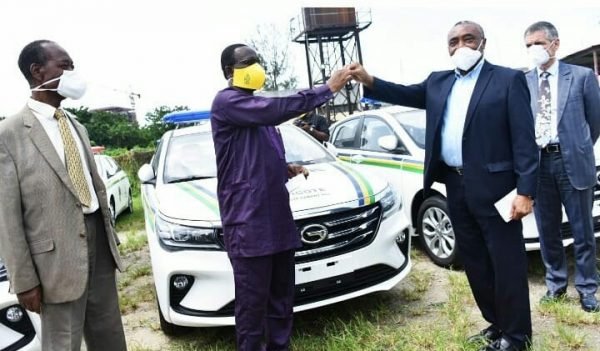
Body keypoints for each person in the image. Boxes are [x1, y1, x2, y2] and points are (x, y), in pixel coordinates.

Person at [349, 21, 538, 351]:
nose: (461, 46)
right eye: (454, 41)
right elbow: (404, 93)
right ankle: (497, 323)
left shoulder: (508, 79)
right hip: (455, 184)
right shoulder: (438, 82)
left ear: (483, 43)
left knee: (506, 262)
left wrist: (526, 191)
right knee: (475, 261)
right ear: (448, 47)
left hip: (498, 189)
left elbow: (524, 138)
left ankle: (517, 336)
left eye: (469, 39)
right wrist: (370, 81)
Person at [211, 43, 350, 351]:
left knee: (281, 300)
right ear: (228, 73)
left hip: (278, 220)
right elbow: (276, 108)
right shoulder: (227, 102)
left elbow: (252, 157)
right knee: (252, 306)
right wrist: (327, 88)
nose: (255, 67)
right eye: (247, 62)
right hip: (249, 224)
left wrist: (286, 167)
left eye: (256, 60)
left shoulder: (258, 112)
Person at [0, 40, 126, 351]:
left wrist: (110, 240)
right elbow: (7, 217)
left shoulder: (76, 126)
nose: (72, 73)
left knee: (109, 338)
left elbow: (93, 185)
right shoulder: (10, 134)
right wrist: (24, 279)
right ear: (37, 71)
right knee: (62, 344)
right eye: (65, 66)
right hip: (53, 264)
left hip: (98, 243)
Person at [523, 21, 600, 313]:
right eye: (529, 45)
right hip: (539, 165)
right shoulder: (525, 81)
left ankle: (587, 288)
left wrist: (576, 146)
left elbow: (595, 121)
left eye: (538, 43)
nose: (534, 50)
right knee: (548, 230)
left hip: (573, 163)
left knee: (582, 231)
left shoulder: (580, 77)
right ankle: (555, 285)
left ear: (555, 44)